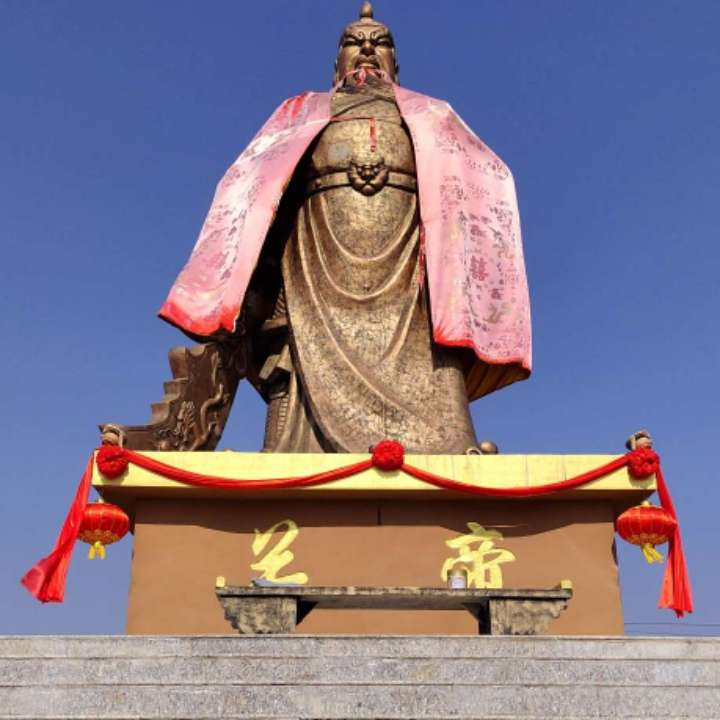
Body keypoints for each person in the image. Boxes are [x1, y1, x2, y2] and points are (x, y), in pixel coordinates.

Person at [158, 2, 532, 454]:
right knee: (298, 349)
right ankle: (299, 441)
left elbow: (478, 178)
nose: (367, 49)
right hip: (315, 254)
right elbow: (260, 182)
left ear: (396, 64)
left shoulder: (432, 116)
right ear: (336, 63)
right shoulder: (301, 113)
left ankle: (447, 441)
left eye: (380, 43)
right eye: (354, 43)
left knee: (431, 351)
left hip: (407, 262)